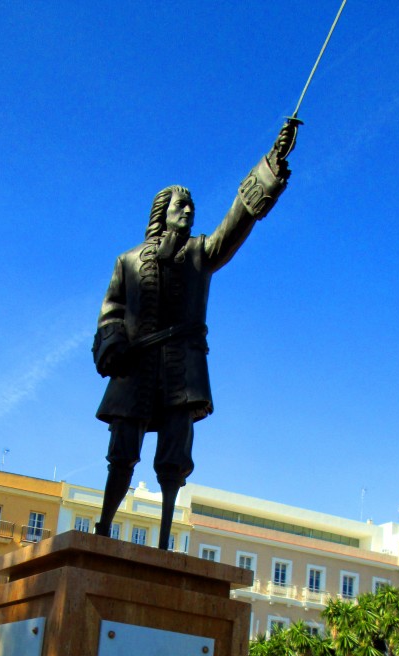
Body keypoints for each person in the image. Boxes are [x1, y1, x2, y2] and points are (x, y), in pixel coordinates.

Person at [92, 120, 298, 549]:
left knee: (174, 457)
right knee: (122, 453)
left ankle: (166, 539)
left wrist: (271, 165)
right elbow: (111, 311)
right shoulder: (127, 261)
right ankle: (104, 526)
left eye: (191, 208)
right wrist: (112, 343)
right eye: (180, 207)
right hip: (135, 369)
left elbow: (236, 221)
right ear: (161, 213)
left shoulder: (202, 253)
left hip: (182, 369)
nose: (188, 212)